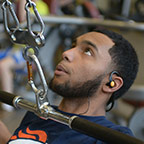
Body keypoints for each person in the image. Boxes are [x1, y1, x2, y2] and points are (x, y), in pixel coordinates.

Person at [7, 28, 139, 143]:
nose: (66, 53)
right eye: (73, 45)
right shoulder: (37, 113)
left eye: (88, 51)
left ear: (112, 84)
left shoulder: (113, 137)